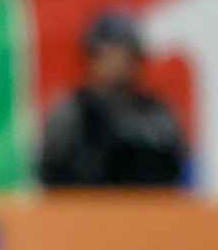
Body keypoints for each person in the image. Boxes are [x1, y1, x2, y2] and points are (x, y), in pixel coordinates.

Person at [38, 11, 187, 187]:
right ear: (92, 57)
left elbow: (175, 169)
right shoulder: (73, 110)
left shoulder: (155, 112)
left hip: (145, 211)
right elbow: (51, 172)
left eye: (126, 54)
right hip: (86, 210)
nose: (118, 63)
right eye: (110, 53)